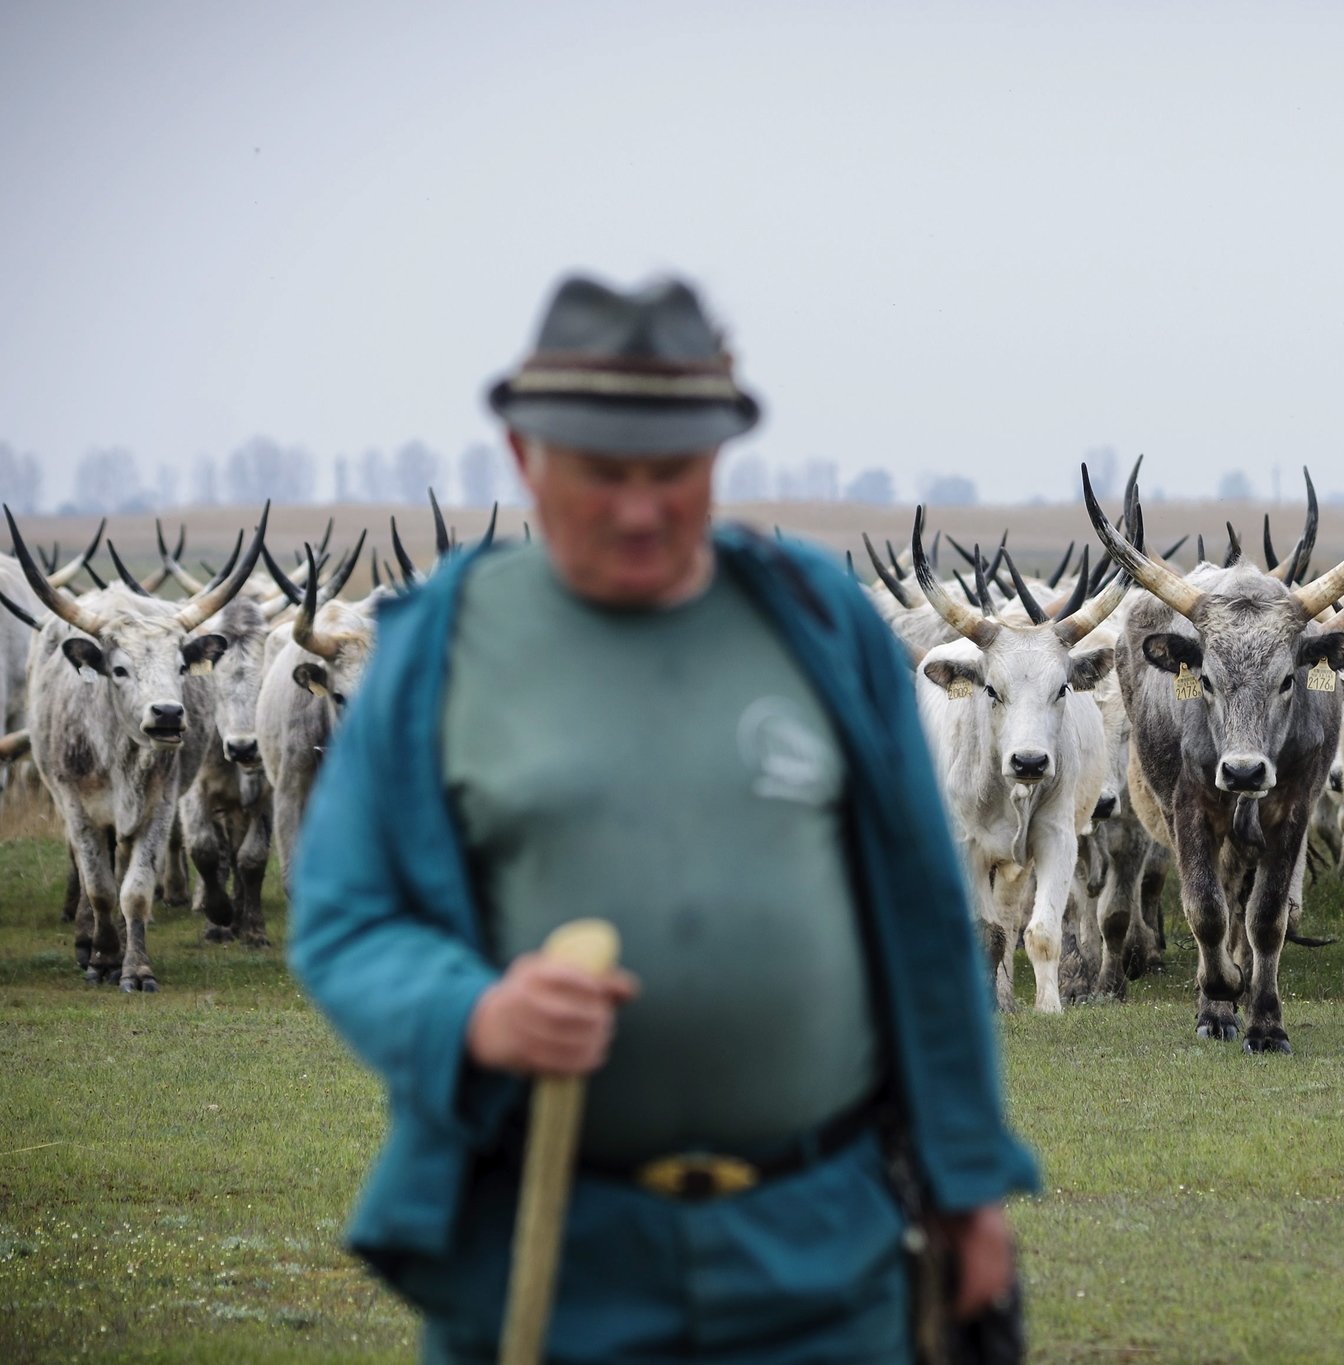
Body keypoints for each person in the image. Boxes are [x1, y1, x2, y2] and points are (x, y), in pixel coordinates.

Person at [289, 273, 1037, 1363]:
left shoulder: (819, 623)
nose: (639, 509)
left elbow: (926, 926)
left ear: (718, 455)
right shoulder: (441, 647)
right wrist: (471, 1014)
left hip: (822, 1256)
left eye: (673, 471)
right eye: (601, 473)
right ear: (523, 456)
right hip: (546, 1256)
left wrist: (968, 1186)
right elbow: (345, 914)